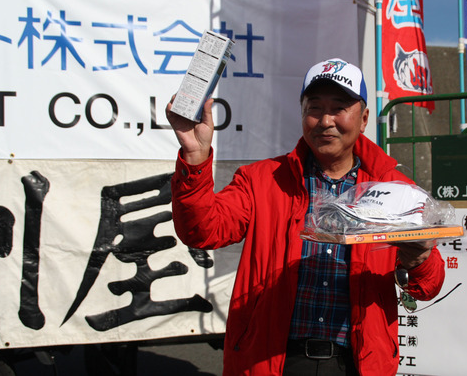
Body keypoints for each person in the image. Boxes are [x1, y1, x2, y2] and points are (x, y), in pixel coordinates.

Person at [166, 58, 445, 376]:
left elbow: (428, 286)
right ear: (302, 114)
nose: (325, 120)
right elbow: (202, 230)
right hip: (271, 362)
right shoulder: (261, 180)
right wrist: (195, 157)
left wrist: (417, 258)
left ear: (364, 118)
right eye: (315, 108)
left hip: (357, 364)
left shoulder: (395, 190)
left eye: (339, 108)